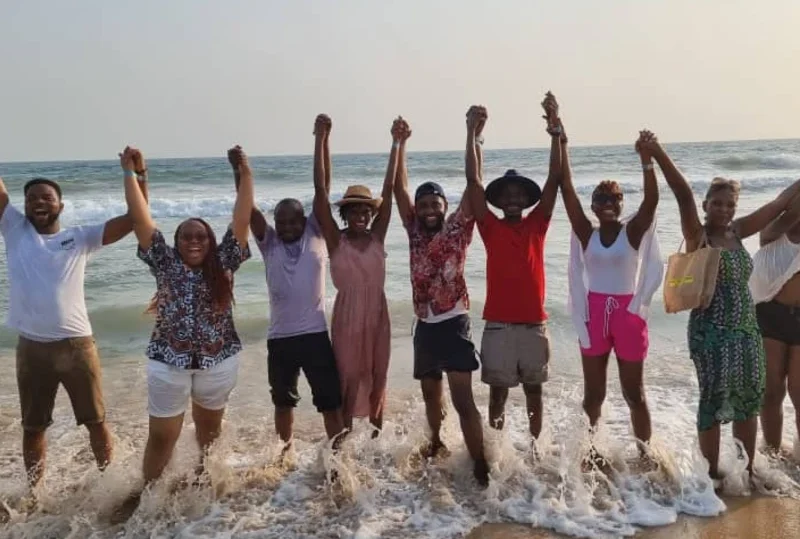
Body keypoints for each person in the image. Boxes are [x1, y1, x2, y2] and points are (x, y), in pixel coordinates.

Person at [646, 136, 800, 482]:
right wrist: (657, 154)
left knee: (748, 401)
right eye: (717, 203)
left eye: (729, 204)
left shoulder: (738, 231)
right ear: (705, 205)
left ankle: (744, 473)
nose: (724, 210)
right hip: (711, 332)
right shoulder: (698, 235)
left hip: (747, 331)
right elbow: (682, 192)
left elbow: (778, 205)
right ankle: (712, 475)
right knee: (713, 403)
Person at [117, 144, 252, 515]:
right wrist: (131, 174)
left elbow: (241, 218)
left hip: (218, 361)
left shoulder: (226, 261)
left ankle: (202, 483)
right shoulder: (164, 261)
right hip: (167, 363)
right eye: (186, 237)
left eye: (201, 237)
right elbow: (142, 219)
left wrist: (244, 171)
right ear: (175, 243)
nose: (193, 241)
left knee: (209, 434)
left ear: (211, 243)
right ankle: (149, 495)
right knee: (162, 436)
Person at [0, 163, 142, 490]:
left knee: (95, 421)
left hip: (77, 346)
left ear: (60, 205)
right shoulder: (14, 229)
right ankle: (35, 493)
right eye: (32, 197)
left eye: (46, 197)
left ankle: (110, 486)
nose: (39, 201)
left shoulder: (79, 238)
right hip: (31, 348)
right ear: (24, 207)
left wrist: (136, 176)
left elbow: (134, 219)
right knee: (33, 427)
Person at [226, 141, 346, 455]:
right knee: (283, 402)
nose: (288, 227)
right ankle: (284, 454)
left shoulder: (315, 233)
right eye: (282, 222)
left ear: (304, 220)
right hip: (280, 340)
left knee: (329, 402)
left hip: (316, 336)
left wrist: (322, 140)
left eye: (294, 221)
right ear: (276, 223)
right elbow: (248, 209)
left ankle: (337, 457)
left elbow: (323, 188)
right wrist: (240, 170)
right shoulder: (269, 243)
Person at [394, 114, 489, 488]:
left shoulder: (459, 228)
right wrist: (400, 144)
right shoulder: (414, 231)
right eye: (424, 205)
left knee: (462, 398)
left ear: (445, 206)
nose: (430, 210)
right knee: (430, 390)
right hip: (424, 325)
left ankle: (480, 460)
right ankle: (436, 442)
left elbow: (474, 183)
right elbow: (400, 187)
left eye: (436, 204)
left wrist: (472, 135)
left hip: (454, 322)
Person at [561, 124, 663, 467]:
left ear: (622, 204)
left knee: (634, 393)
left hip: (628, 315)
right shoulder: (585, 233)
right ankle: (590, 452)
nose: (608, 203)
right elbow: (566, 189)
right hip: (592, 315)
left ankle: (645, 455)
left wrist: (647, 161)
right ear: (592, 206)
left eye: (615, 198)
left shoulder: (632, 232)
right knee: (594, 395)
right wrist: (561, 140)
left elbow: (651, 200)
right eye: (601, 199)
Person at [465, 95, 560, 447]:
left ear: (527, 199)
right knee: (498, 396)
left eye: (520, 194)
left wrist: (555, 129)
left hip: (534, 325)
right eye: (507, 195)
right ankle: (497, 452)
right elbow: (474, 183)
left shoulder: (537, 225)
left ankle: (536, 449)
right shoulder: (490, 227)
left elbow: (555, 178)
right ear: (499, 201)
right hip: (499, 327)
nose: (514, 199)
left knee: (535, 394)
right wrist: (473, 136)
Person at [312, 114, 406, 433]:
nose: (361, 216)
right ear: (345, 214)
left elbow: (389, 190)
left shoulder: (377, 237)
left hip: (378, 314)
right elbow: (320, 194)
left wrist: (396, 143)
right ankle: (343, 445)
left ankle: (378, 448)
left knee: (378, 374)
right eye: (354, 211)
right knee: (348, 376)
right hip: (347, 316)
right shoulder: (335, 241)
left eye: (366, 211)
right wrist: (321, 139)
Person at [749, 191, 800, 457]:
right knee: (771, 392)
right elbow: (781, 206)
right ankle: (772, 454)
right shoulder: (774, 233)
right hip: (771, 314)